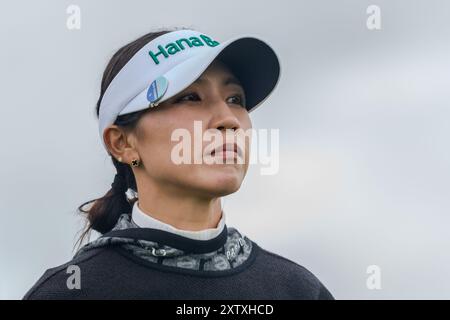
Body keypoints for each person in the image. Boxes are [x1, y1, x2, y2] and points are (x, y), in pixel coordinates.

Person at [23, 28, 334, 300]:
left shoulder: (299, 291)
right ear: (123, 143)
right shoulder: (70, 292)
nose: (228, 120)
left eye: (235, 99)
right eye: (190, 97)